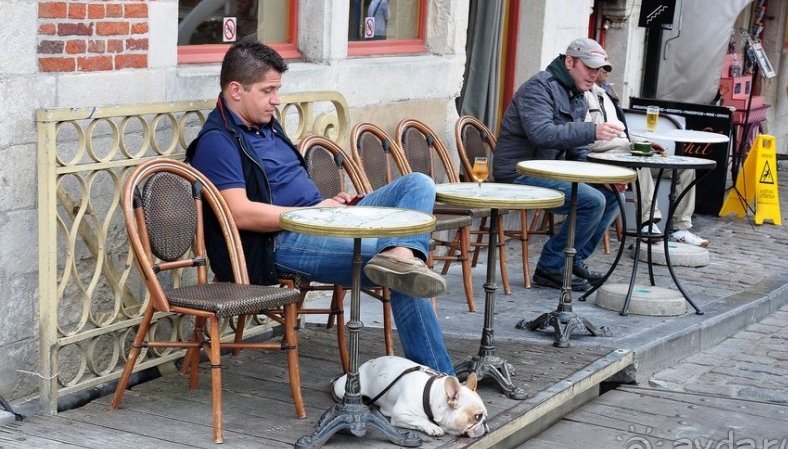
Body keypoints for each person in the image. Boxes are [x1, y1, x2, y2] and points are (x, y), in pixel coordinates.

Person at [186, 38, 455, 374]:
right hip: (281, 241)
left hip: (322, 218)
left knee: (418, 184)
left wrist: (331, 204)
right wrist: (311, 213)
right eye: (268, 90)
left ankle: (400, 254)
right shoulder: (217, 142)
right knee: (402, 271)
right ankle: (443, 380)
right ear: (236, 90)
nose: (276, 99)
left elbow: (291, 185)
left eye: (277, 89)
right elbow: (240, 213)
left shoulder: (266, 126)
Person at [492, 38, 625, 291]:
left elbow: (577, 151)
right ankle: (551, 267)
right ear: (569, 62)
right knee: (592, 201)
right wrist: (592, 131)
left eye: (598, 70)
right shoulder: (538, 87)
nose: (594, 75)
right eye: (589, 68)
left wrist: (599, 179)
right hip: (517, 173)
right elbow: (542, 133)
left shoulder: (577, 94)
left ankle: (573, 260)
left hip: (547, 172)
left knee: (610, 195)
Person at [587, 66, 708, 247]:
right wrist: (632, 146)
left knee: (684, 168)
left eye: (607, 67)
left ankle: (680, 228)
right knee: (638, 160)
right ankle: (647, 224)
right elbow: (589, 139)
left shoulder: (607, 95)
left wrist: (643, 142)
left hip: (624, 149)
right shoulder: (583, 96)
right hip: (604, 155)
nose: (606, 71)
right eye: (601, 67)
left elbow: (623, 133)